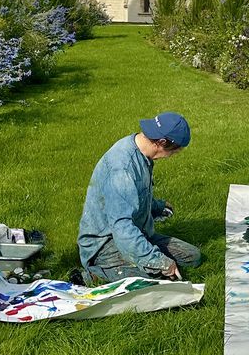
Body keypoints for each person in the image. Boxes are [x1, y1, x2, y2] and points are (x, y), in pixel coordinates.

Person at [77, 112, 201, 283]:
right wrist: (159, 262)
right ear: (162, 142)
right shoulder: (122, 168)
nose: (172, 156)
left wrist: (157, 206)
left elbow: (135, 197)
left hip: (138, 231)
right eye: (174, 152)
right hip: (106, 243)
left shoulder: (142, 152)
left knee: (192, 257)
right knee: (162, 279)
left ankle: (140, 259)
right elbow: (122, 227)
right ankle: (95, 273)